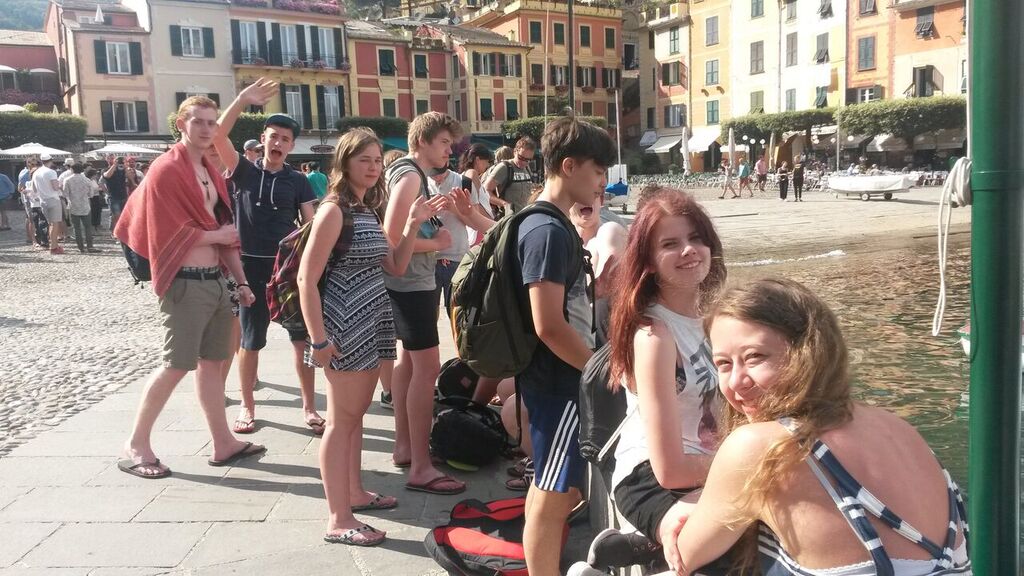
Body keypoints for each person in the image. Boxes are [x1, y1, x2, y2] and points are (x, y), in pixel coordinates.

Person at [661, 278, 970, 575]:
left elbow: (685, 557)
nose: (737, 383)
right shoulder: (898, 427)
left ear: (807, 353)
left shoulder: (759, 446)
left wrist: (681, 515)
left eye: (755, 357)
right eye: (724, 364)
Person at [299, 128, 447, 547]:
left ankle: (355, 493)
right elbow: (306, 279)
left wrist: (415, 224)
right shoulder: (333, 211)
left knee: (354, 416)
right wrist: (319, 340)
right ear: (344, 162)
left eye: (378, 160)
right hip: (343, 327)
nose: (373, 167)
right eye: (364, 159)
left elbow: (396, 266)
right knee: (341, 421)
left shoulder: (365, 210)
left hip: (371, 323)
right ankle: (338, 517)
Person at [114, 95, 261, 479]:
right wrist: (218, 237)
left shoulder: (208, 170)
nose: (206, 128)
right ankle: (136, 444)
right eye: (198, 121)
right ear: (181, 123)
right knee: (175, 364)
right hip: (184, 282)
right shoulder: (166, 169)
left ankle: (223, 441)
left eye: (211, 122)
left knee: (212, 365)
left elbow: (222, 233)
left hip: (214, 281)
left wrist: (241, 281)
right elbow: (164, 234)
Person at [598, 187, 727, 572]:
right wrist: (744, 463)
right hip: (650, 476)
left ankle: (644, 545)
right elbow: (668, 469)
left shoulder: (714, 319)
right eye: (670, 244)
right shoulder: (655, 336)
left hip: (705, 464)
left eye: (696, 238)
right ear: (650, 261)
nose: (688, 250)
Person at [517, 117, 616, 575]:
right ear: (569, 165)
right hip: (558, 380)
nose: (602, 182)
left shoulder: (546, 222)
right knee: (551, 492)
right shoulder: (548, 231)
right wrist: (600, 368)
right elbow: (549, 325)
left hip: (555, 377)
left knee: (558, 488)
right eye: (598, 171)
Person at [212, 78, 324, 436]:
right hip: (250, 269)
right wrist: (242, 99)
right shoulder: (243, 171)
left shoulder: (298, 181)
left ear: (292, 146)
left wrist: (315, 266)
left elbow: (310, 224)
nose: (278, 143)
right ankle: (247, 405)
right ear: (263, 139)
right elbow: (217, 136)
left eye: (285, 139)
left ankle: (309, 406)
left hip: (287, 271)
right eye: (273, 136)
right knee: (250, 340)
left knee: (301, 341)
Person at [383, 111, 466, 495]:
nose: (451, 149)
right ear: (423, 142)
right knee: (427, 369)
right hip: (412, 284)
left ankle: (405, 447)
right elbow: (391, 237)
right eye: (445, 142)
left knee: (408, 363)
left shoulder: (404, 171)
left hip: (409, 284)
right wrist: (434, 244)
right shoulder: (412, 175)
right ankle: (420, 464)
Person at [482, 137, 536, 214]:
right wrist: (503, 204)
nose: (524, 163)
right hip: (509, 218)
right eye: (521, 158)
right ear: (515, 152)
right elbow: (484, 191)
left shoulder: (527, 168)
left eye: (528, 160)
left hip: (525, 216)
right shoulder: (504, 167)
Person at [458, 143, 496, 245]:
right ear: (478, 159)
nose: (487, 165)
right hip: (479, 229)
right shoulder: (472, 173)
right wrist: (491, 223)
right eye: (486, 161)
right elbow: (476, 202)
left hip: (475, 228)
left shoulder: (463, 175)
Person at [33, 153, 65, 254]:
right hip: (53, 199)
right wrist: (61, 185)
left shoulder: (35, 172)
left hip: (43, 201)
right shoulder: (51, 172)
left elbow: (34, 189)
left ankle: (54, 245)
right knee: (54, 225)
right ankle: (54, 247)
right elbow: (55, 187)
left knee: (50, 223)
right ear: (51, 161)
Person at [63, 163, 98, 253]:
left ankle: (80, 247)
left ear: (72, 169)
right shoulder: (87, 180)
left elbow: (65, 193)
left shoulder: (67, 180)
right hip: (85, 205)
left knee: (76, 227)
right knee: (87, 227)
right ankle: (90, 246)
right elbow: (91, 194)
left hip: (73, 205)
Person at [103, 155, 129, 233]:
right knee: (116, 216)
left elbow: (129, 177)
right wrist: (114, 165)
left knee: (124, 216)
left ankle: (122, 232)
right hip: (113, 197)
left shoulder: (123, 169)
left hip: (123, 196)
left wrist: (126, 166)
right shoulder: (106, 169)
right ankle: (115, 232)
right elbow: (107, 175)